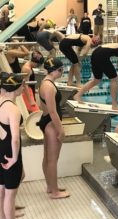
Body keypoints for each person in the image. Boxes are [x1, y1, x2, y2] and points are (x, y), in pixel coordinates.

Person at [0, 72, 24, 219]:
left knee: (1, 188)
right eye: (22, 85)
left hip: (0, 148)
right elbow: (16, 138)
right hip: (10, 152)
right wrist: (15, 158)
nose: (24, 87)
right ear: (16, 88)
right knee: (9, 194)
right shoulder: (13, 109)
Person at [74, 43, 118, 110]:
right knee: (114, 79)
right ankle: (114, 105)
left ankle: (78, 95)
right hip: (102, 55)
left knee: (96, 79)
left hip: (96, 53)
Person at [36, 58, 70, 199]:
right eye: (61, 69)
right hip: (51, 124)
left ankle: (51, 186)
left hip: (46, 122)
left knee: (48, 157)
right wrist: (60, 130)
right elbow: (52, 111)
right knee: (53, 160)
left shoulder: (44, 83)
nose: (62, 72)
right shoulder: (49, 87)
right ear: (57, 70)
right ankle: (55, 192)